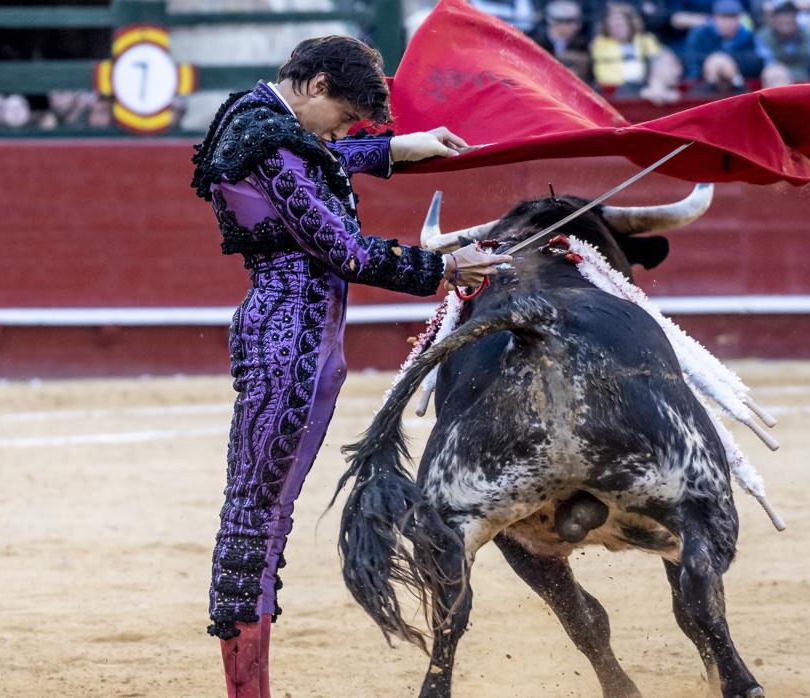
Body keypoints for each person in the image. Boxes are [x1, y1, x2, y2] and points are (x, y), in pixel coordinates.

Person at [189, 35, 510, 698]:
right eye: (343, 114)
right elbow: (346, 252)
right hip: (290, 344)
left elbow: (315, 157)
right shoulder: (271, 139)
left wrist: (390, 150)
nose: (345, 130)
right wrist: (445, 270)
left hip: (297, 336)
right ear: (313, 85)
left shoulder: (259, 120)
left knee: (263, 515)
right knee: (255, 517)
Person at [591, 2, 669, 95]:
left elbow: (660, 63)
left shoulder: (646, 40)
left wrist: (656, 84)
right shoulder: (600, 43)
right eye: (612, 24)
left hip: (645, 86)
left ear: (630, 23)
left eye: (620, 23)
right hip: (613, 90)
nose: (617, 28)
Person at [683, 0, 763, 79]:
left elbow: (755, 63)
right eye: (724, 17)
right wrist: (715, 60)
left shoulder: (746, 36)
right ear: (715, 18)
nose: (729, 22)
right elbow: (691, 61)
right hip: (704, 82)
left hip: (737, 82)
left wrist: (726, 60)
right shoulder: (700, 34)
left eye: (733, 17)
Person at [754, 0, 810, 82]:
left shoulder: (809, 34)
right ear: (773, 19)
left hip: (804, 77)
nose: (785, 19)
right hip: (777, 79)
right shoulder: (763, 37)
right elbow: (767, 64)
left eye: (789, 15)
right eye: (780, 16)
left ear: (795, 18)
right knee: (774, 73)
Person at [533, 0, 595, 83]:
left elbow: (590, 74)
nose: (576, 26)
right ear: (556, 22)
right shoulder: (536, 41)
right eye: (570, 21)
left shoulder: (582, 43)